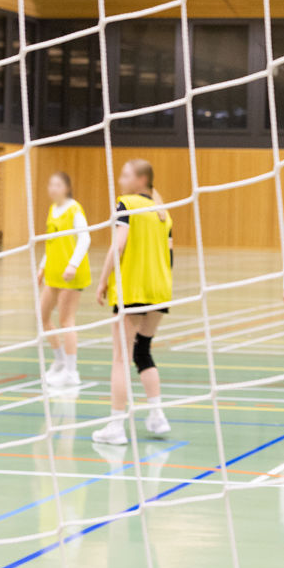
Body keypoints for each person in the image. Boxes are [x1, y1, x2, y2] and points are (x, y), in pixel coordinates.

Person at [92, 159, 173, 446]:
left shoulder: (126, 204)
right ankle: (157, 415)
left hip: (133, 289)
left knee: (121, 357)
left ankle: (116, 425)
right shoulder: (163, 214)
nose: (120, 178)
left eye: (125, 174)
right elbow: (170, 255)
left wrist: (102, 280)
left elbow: (119, 244)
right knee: (142, 352)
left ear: (141, 180)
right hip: (160, 290)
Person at [38, 172, 91, 388]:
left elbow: (85, 237)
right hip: (53, 272)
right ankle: (59, 361)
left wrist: (73, 264)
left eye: (57, 184)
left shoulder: (74, 209)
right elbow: (52, 243)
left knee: (66, 320)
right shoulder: (53, 210)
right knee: (42, 316)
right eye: (50, 184)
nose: (52, 188)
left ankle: (71, 371)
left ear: (67, 188)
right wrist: (42, 266)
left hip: (71, 273)